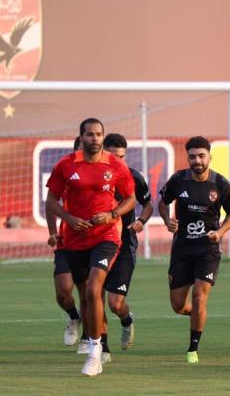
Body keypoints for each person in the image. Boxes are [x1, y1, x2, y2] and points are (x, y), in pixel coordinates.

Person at [45, 118, 135, 377]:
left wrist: (113, 214)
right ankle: (77, 321)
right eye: (89, 134)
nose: (94, 138)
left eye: (98, 134)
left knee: (95, 290)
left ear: (102, 137)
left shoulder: (116, 166)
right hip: (72, 240)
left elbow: (130, 199)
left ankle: (95, 351)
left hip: (105, 237)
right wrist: (69, 219)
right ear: (81, 137)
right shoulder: (66, 165)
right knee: (72, 294)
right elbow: (51, 201)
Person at [158, 136, 230, 364]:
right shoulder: (178, 180)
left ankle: (192, 349)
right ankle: (197, 316)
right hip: (182, 249)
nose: (197, 160)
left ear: (209, 157)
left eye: (201, 156)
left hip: (208, 250)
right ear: (188, 158)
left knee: (200, 297)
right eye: (192, 156)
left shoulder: (220, 184)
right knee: (178, 305)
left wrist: (221, 232)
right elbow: (162, 202)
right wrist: (167, 221)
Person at [102, 133, 153, 354]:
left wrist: (141, 221)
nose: (119, 161)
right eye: (114, 156)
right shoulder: (95, 176)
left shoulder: (133, 177)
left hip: (124, 246)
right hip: (97, 243)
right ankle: (100, 347)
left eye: (122, 156)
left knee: (115, 303)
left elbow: (148, 204)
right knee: (93, 296)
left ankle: (126, 319)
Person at [46, 136, 86, 350]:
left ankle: (91, 339)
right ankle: (73, 316)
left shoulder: (106, 170)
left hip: (96, 241)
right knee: (63, 290)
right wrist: (53, 232)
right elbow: (51, 202)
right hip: (68, 241)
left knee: (91, 292)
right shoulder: (66, 170)